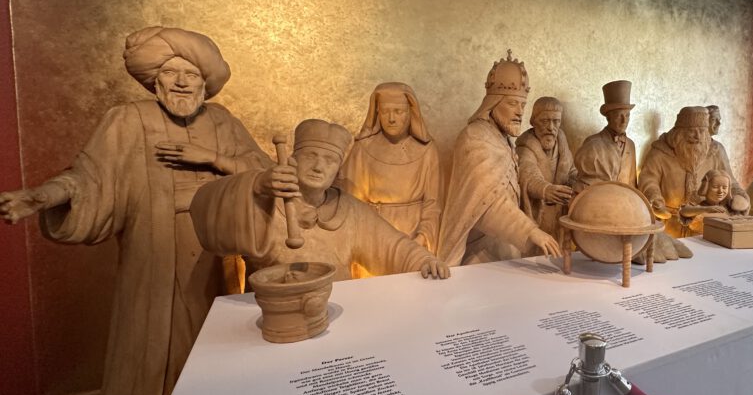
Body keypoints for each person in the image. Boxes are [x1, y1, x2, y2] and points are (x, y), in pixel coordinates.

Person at [0, 26, 270, 395]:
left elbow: (262, 173)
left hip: (213, 256)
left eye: (191, 74)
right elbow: (88, 178)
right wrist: (41, 196)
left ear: (205, 81)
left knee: (213, 344)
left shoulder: (222, 122)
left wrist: (211, 158)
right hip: (153, 251)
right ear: (154, 80)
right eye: (171, 72)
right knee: (143, 344)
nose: (182, 82)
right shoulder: (128, 120)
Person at [192, 119, 449, 279]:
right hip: (274, 314)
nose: (318, 167)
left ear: (337, 171)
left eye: (329, 160)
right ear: (293, 160)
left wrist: (424, 262)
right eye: (310, 156)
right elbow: (206, 209)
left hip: (336, 313)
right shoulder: (263, 201)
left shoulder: (347, 209)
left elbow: (392, 248)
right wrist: (258, 185)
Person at [437, 52, 562, 265]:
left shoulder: (503, 138)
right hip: (479, 252)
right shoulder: (475, 136)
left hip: (506, 247)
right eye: (513, 103)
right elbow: (486, 205)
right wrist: (530, 231)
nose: (520, 112)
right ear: (493, 102)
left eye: (523, 105)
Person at [341, 82, 442, 252]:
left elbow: (432, 204)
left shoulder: (427, 150)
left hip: (413, 238)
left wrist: (422, 238)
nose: (391, 119)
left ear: (410, 113)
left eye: (398, 111)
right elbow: (351, 203)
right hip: (373, 236)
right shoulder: (363, 149)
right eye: (385, 111)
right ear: (377, 113)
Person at [639, 106, 749, 238]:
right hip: (669, 224)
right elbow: (648, 179)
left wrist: (739, 197)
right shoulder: (660, 152)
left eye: (702, 131)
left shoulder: (716, 151)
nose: (697, 137)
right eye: (692, 131)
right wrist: (655, 199)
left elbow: (731, 181)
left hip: (707, 226)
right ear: (679, 132)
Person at [515, 96, 576, 241]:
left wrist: (576, 183)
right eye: (545, 121)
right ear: (533, 121)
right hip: (537, 216)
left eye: (556, 121)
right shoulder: (525, 147)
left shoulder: (562, 144)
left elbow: (571, 171)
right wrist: (545, 189)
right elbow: (528, 175)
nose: (551, 127)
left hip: (560, 216)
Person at [574, 80, 637, 190]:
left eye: (627, 115)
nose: (624, 121)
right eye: (619, 116)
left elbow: (632, 184)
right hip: (600, 200)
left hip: (626, 200)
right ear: (608, 117)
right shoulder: (592, 145)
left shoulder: (631, 145)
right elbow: (583, 186)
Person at [678, 169, 734, 236]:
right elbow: (683, 211)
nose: (720, 191)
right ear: (706, 187)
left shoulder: (728, 206)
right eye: (715, 187)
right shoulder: (698, 203)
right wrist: (706, 209)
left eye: (724, 187)